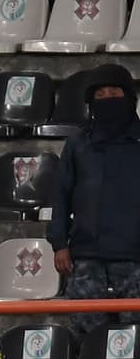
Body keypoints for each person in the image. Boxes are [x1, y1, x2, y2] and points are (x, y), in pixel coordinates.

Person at [49, 64, 140, 335]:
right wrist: (59, 243)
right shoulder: (78, 143)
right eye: (100, 95)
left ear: (129, 97)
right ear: (91, 102)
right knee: (87, 334)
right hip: (87, 256)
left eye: (114, 92)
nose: (108, 99)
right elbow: (61, 194)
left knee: (136, 336)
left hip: (135, 257)